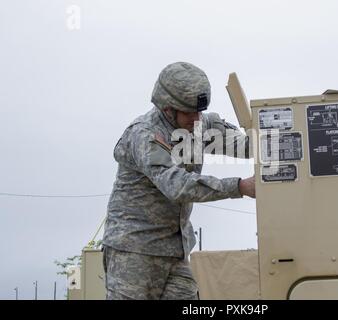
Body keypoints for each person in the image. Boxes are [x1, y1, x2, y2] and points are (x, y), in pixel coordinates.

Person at [102, 62, 255, 300]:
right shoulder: (145, 135)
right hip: (133, 253)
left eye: (199, 112)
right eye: (188, 112)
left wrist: (287, 135)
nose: (196, 119)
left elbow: (247, 146)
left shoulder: (199, 126)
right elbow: (177, 185)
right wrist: (240, 186)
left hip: (175, 252)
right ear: (167, 108)